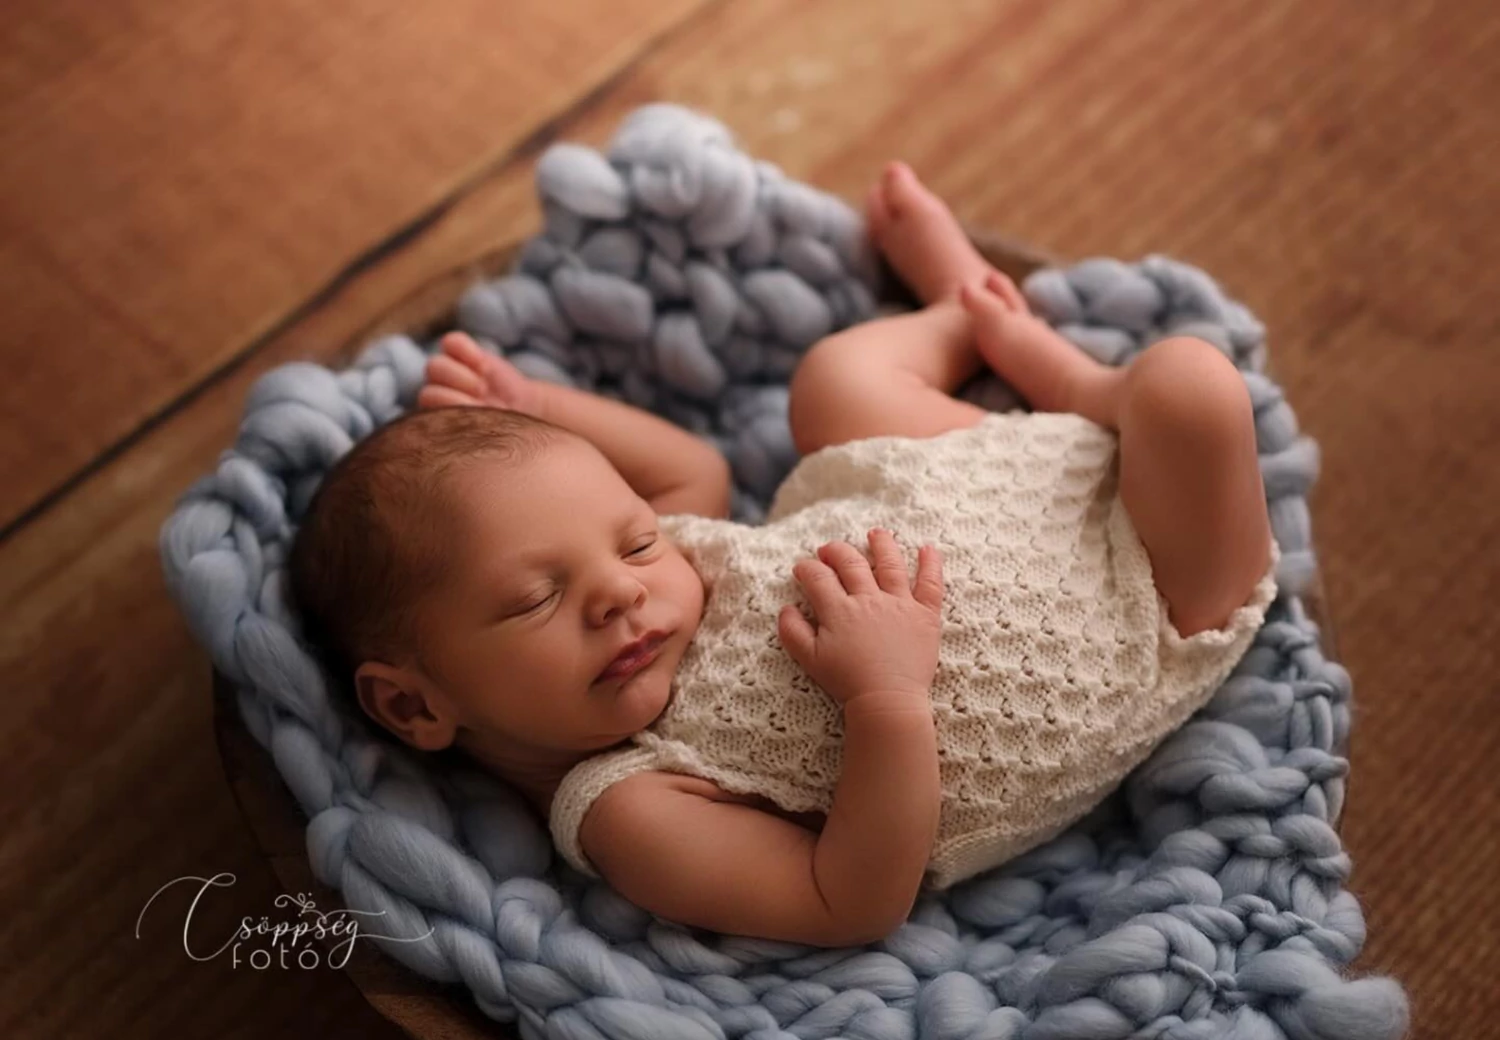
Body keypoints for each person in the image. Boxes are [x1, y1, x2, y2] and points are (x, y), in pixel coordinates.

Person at [289, 162, 1277, 948]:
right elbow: (845, 899)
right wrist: (884, 699)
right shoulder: (624, 805)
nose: (621, 593)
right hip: (1150, 611)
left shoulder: (660, 576)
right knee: (1194, 388)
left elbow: (691, 472)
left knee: (831, 382)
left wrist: (536, 413)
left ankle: (1006, 336)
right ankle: (1056, 367)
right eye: (536, 598)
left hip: (977, 477)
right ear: (417, 704)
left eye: (632, 541)